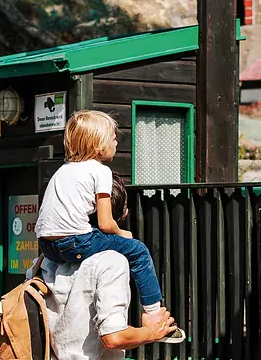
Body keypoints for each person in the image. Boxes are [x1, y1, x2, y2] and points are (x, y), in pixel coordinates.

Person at [35, 111, 184, 343]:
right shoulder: (100, 171)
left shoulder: (62, 171)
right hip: (76, 242)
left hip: (47, 246)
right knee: (138, 250)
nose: (116, 140)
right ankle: (154, 314)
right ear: (97, 145)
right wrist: (123, 233)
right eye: (112, 137)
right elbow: (105, 223)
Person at [31, 172, 178, 360]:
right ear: (122, 213)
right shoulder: (111, 262)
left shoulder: (45, 261)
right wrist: (151, 333)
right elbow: (113, 337)